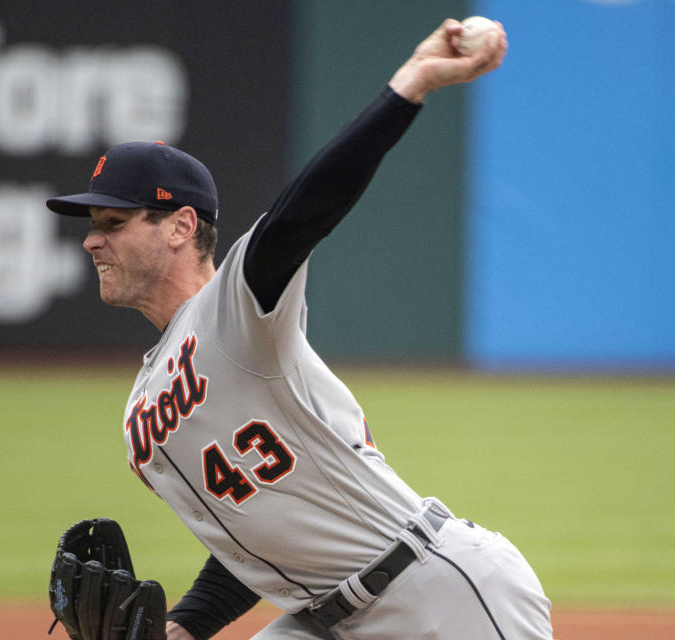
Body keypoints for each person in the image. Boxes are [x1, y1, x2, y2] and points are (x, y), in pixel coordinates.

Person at [46, 18, 553, 640]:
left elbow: (304, 210)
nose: (92, 239)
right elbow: (251, 546)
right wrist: (180, 629)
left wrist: (411, 84)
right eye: (92, 223)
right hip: (317, 620)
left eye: (114, 222)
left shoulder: (236, 308)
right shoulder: (140, 414)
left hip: (432, 594)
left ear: (180, 226)